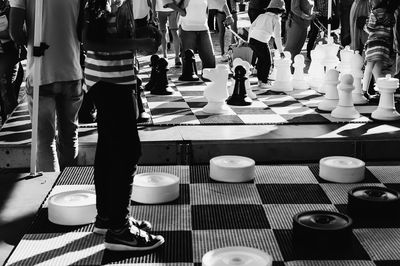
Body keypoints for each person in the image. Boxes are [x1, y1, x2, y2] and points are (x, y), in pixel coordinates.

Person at [83, 0, 164, 251]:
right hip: (110, 83)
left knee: (109, 150)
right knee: (128, 152)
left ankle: (107, 218)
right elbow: (90, 41)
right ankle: (119, 229)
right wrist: (137, 43)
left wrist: (144, 38)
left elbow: (107, 37)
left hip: (110, 80)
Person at [9, 0, 84, 172]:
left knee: (44, 142)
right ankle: (69, 188)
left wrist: (35, 41)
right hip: (71, 68)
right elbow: (82, 30)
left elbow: (15, 32)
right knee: (70, 136)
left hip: (41, 71)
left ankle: (50, 191)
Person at [166, 0, 233, 74]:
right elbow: (168, 2)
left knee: (210, 63)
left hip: (203, 28)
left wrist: (229, 15)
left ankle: (208, 82)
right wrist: (181, 11)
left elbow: (221, 2)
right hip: (187, 28)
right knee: (188, 67)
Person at [361, 0, 398, 99]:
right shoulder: (390, 14)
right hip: (384, 45)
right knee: (377, 68)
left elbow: (371, 27)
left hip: (374, 42)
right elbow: (390, 29)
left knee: (369, 66)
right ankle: (382, 92)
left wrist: (365, 26)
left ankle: (364, 91)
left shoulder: (375, 12)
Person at [248, 0, 285, 88]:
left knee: (261, 60)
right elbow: (277, 37)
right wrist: (281, 51)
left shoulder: (261, 15)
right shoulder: (276, 19)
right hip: (261, 41)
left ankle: (260, 80)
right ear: (279, 11)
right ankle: (264, 81)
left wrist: (248, 40)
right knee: (267, 61)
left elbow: (251, 27)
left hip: (253, 40)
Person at [0, 0, 23, 124]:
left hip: (9, 56)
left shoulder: (12, 6)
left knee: (7, 92)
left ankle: (12, 125)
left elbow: (14, 32)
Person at [153, 0, 182, 66]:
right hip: (170, 8)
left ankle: (166, 56)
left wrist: (154, 12)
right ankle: (176, 57)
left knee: (165, 32)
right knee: (172, 32)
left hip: (164, 9)